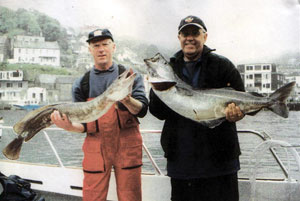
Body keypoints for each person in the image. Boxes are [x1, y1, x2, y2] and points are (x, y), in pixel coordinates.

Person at [149, 15, 245, 201]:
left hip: (221, 162)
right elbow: (157, 112)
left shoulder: (223, 65)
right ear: (179, 38)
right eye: (185, 34)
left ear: (205, 37)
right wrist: (157, 89)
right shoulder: (170, 68)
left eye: (195, 33)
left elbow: (240, 98)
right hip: (182, 163)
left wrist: (237, 114)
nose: (190, 38)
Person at [50, 28, 148, 201]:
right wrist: (68, 126)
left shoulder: (130, 76)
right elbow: (83, 125)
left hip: (127, 146)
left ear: (113, 47)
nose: (101, 49)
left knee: (131, 197)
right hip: (96, 147)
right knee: (92, 197)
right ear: (90, 49)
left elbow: (141, 110)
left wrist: (126, 100)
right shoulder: (82, 83)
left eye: (105, 44)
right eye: (96, 45)